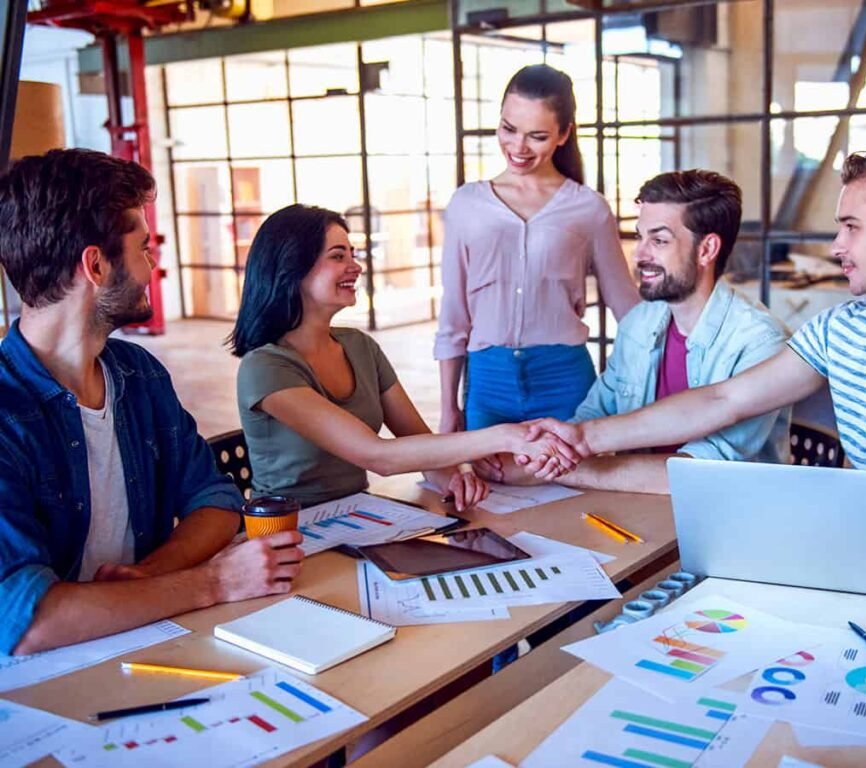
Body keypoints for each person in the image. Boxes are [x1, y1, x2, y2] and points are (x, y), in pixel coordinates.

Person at [522, 142, 866, 545]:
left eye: (851, 227)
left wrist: (765, 495)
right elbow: (724, 399)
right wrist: (583, 439)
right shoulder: (846, 328)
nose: (836, 247)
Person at [0, 149, 304, 656]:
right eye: (144, 247)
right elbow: (27, 621)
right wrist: (214, 583)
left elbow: (215, 499)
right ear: (95, 265)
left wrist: (148, 577)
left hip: (149, 639)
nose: (152, 266)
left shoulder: (138, 374)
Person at [229, 204, 575, 512]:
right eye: (338, 256)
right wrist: (504, 436)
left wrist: (448, 478)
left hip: (358, 517)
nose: (356, 266)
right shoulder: (265, 367)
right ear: (293, 267)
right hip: (292, 532)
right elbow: (377, 456)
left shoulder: (359, 347)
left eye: (353, 253)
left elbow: (415, 441)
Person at [481, 169, 790, 494]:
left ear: (706, 250)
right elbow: (590, 417)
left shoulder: (760, 342)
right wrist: (540, 457)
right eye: (640, 237)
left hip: (727, 521)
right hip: (636, 510)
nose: (640, 254)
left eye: (658, 240)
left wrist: (562, 470)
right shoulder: (639, 323)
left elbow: (700, 474)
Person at [434, 63, 639, 436]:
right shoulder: (467, 204)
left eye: (537, 136)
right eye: (508, 129)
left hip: (565, 380)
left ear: (564, 135)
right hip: (488, 384)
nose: (518, 147)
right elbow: (453, 315)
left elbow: (628, 309)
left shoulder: (588, 208)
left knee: (575, 489)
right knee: (491, 489)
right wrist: (449, 408)